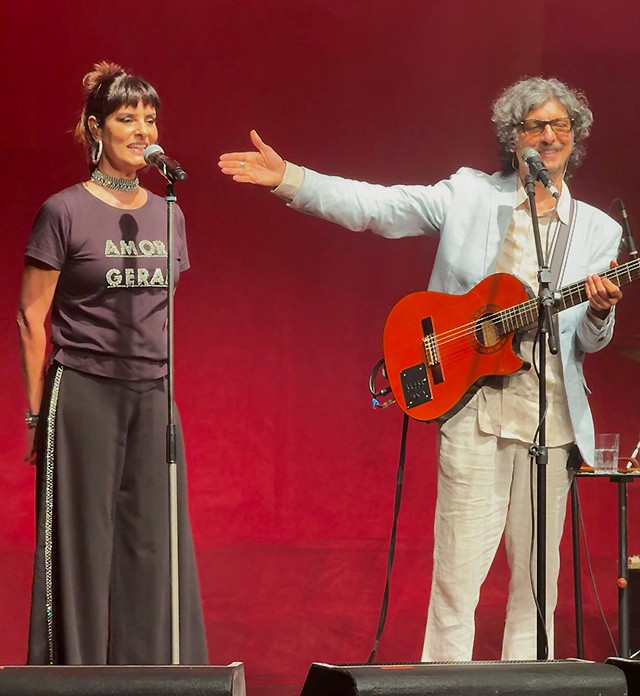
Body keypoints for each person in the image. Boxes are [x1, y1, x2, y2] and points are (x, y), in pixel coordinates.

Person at [218, 77, 623, 660]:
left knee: (537, 590)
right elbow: (379, 207)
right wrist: (292, 180)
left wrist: (602, 311)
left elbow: (587, 338)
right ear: (514, 138)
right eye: (536, 125)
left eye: (561, 125)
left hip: (549, 419)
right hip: (474, 406)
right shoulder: (470, 195)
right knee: (457, 579)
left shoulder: (597, 231)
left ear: (575, 137)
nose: (550, 136)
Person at [17, 61, 208, 665]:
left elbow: (164, 310)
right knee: (83, 543)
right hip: (84, 390)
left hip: (152, 393)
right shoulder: (63, 212)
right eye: (127, 118)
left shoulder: (168, 212)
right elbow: (30, 316)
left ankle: (147, 673)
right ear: (96, 128)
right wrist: (34, 416)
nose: (142, 129)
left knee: (151, 544)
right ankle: (75, 677)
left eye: (149, 118)